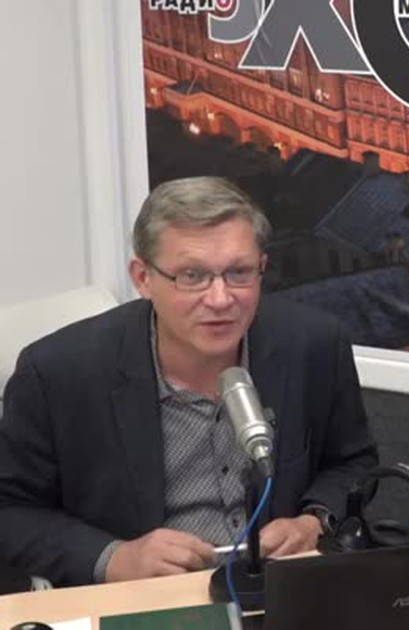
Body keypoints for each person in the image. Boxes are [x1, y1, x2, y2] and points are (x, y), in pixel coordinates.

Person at [0, 176, 379, 587]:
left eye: (239, 273)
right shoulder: (57, 372)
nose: (220, 299)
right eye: (192, 276)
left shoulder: (314, 344)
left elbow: (353, 463)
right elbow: (11, 509)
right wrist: (112, 557)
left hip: (280, 585)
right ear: (143, 278)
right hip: (143, 595)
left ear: (262, 269)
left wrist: (315, 520)